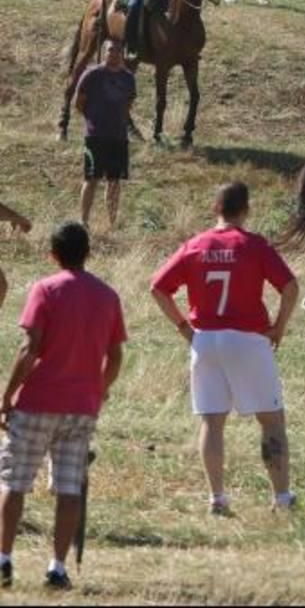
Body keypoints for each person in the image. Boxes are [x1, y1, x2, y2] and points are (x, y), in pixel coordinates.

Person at [150, 182, 299, 516]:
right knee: (272, 421)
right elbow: (290, 287)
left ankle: (217, 497)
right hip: (248, 339)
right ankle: (281, 498)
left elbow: (158, 288)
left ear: (215, 207)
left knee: (212, 422)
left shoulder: (195, 245)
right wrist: (279, 326)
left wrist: (184, 328)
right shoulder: (254, 245)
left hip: (205, 340)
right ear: (246, 209)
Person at [0, 221, 126, 591]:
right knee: (69, 487)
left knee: (14, 481)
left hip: (38, 401)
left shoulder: (45, 289)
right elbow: (115, 356)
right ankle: (57, 566)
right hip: (81, 406)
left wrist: (7, 395)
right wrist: (99, 390)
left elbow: (30, 348)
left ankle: (4, 560)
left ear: (53, 254)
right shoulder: (107, 296)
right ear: (89, 252)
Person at [74, 39, 136, 229]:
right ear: (104, 52)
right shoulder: (92, 75)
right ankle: (83, 220)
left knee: (115, 181)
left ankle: (111, 222)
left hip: (118, 136)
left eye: (118, 51)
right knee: (91, 178)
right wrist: (92, 120)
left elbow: (128, 104)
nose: (114, 54)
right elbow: (79, 102)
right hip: (96, 136)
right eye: (110, 50)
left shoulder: (128, 78)